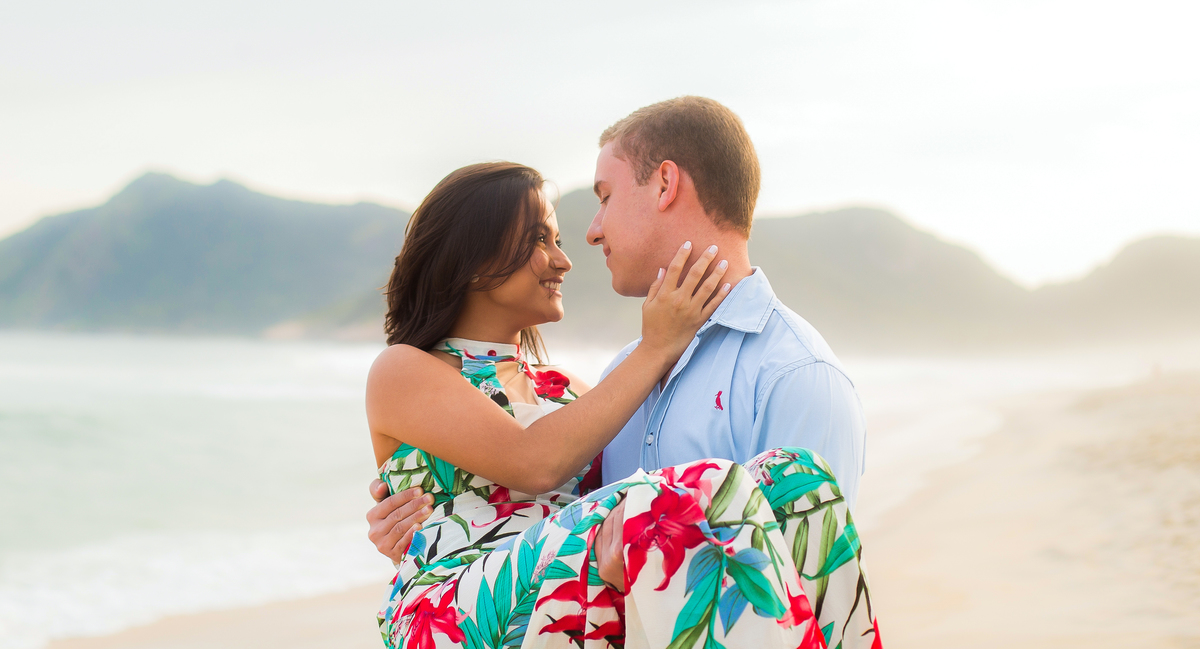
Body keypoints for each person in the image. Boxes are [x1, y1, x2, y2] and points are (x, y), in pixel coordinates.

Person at [368, 160, 879, 649]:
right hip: (452, 611)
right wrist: (658, 347)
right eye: (539, 240)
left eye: (557, 240)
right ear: (473, 259)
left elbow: (607, 493)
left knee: (793, 478)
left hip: (570, 596)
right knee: (690, 494)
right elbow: (535, 462)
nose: (564, 260)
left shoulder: (567, 390)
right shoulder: (405, 370)